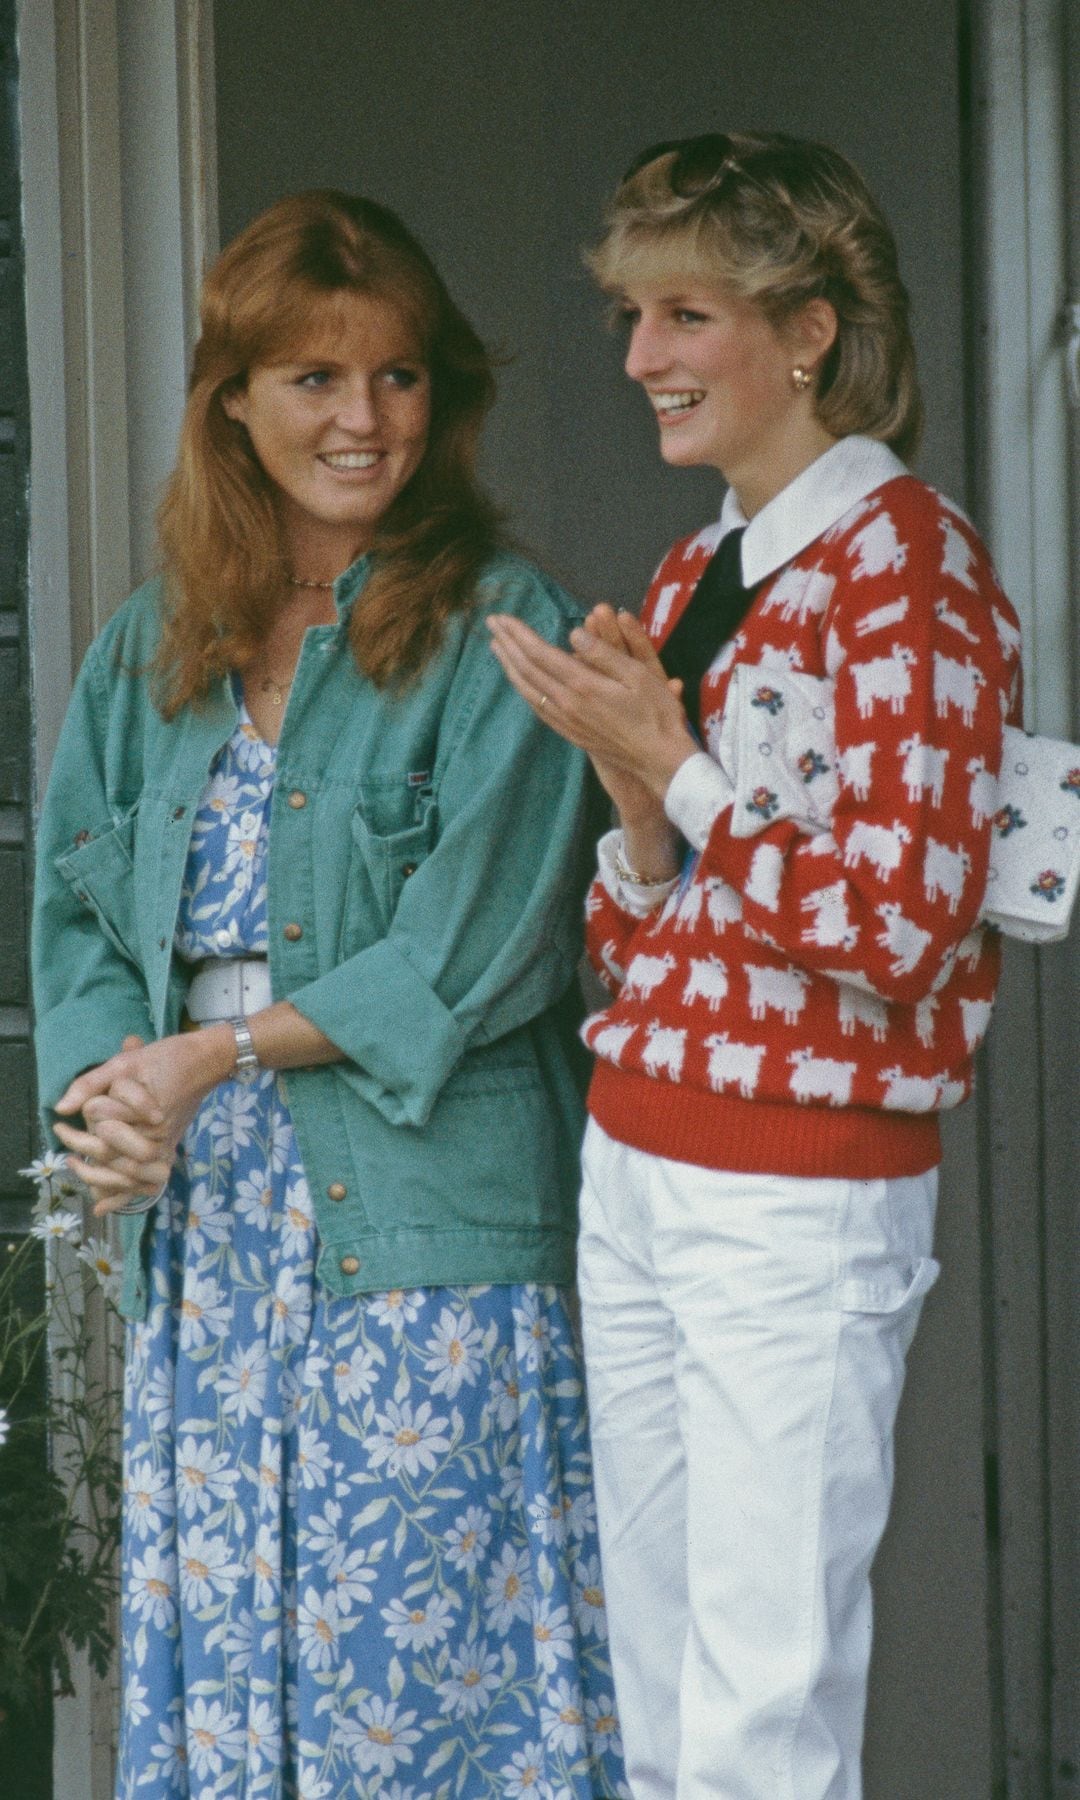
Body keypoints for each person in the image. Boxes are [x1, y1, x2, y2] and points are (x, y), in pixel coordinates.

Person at [32, 191, 627, 1800]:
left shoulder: (506, 626)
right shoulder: (155, 645)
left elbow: (475, 949)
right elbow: (79, 909)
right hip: (207, 1230)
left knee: (421, 1684)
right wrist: (108, 1103)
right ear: (233, 396)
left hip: (423, 1229)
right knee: (233, 1662)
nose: (363, 419)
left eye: (400, 377)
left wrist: (208, 1057)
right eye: (313, 379)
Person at [488, 132, 1022, 1799]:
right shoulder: (697, 570)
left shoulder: (910, 567)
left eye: (685, 313)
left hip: (796, 1190)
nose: (642, 357)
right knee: (658, 1682)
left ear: (808, 330)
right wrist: (638, 802)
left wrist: (684, 765)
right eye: (634, 316)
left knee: (760, 1706)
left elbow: (903, 927)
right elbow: (651, 942)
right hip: (641, 1157)